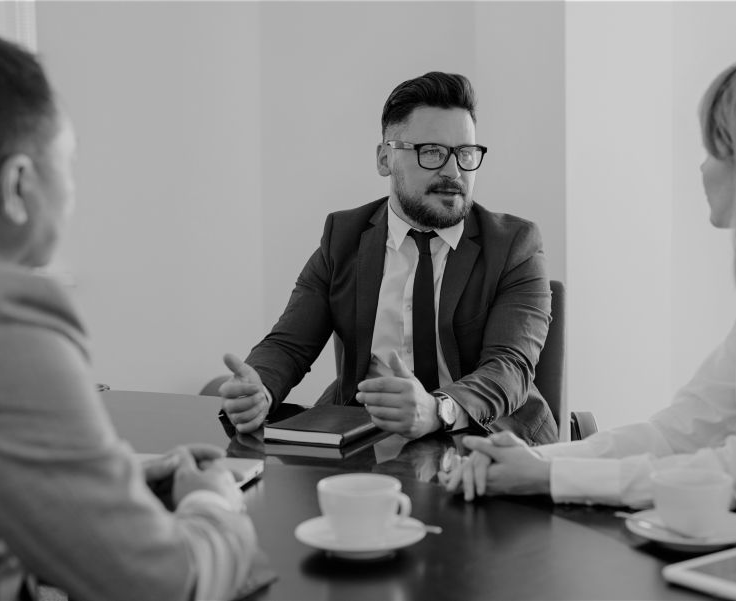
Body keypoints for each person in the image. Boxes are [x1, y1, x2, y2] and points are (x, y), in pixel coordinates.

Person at [0, 31, 259, 601]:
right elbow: (163, 586)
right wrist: (213, 501)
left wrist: (109, 481)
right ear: (18, 184)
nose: (72, 191)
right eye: (68, 164)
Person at [442, 62, 736, 509]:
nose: (701, 166)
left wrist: (549, 475)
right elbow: (675, 433)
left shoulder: (514, 242)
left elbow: (724, 474)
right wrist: (535, 461)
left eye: (713, 151)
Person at [220, 71, 557, 444]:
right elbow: (289, 344)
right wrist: (260, 389)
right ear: (385, 159)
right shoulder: (343, 237)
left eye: (465, 153)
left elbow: (509, 367)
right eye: (432, 152)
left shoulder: (514, 246)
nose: (453, 171)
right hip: (368, 436)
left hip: (485, 437)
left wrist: (438, 410)